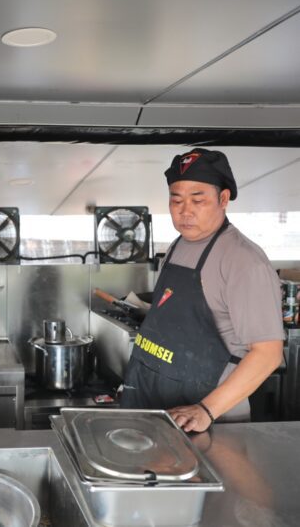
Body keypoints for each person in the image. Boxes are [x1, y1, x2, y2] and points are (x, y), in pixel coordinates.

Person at [120, 148, 284, 432]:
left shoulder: (244, 261)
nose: (185, 211)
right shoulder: (177, 246)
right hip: (154, 406)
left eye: (198, 200)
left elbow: (268, 354)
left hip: (208, 421)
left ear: (223, 199)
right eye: (176, 200)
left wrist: (206, 410)